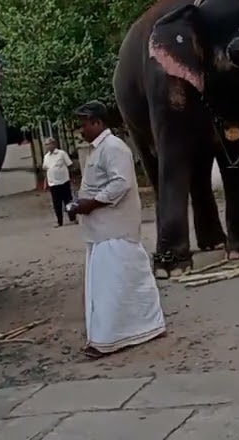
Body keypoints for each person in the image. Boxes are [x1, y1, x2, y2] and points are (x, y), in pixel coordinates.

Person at [70, 101, 166, 360]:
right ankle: (139, 328)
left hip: (115, 232)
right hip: (101, 233)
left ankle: (108, 340)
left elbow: (120, 183)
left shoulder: (113, 148)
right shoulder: (98, 149)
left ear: (98, 123)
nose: (81, 129)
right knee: (115, 286)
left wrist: (90, 203)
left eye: (84, 124)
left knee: (112, 288)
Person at [42, 137, 76, 226]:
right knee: (56, 203)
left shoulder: (61, 153)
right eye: (46, 145)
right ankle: (59, 222)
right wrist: (45, 183)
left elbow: (70, 165)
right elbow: (46, 169)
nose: (47, 146)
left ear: (54, 144)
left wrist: (72, 178)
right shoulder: (46, 157)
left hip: (64, 181)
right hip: (53, 183)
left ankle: (73, 218)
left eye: (48, 144)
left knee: (68, 201)